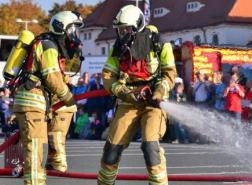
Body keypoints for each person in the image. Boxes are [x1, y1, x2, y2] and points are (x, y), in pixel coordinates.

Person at [97, 5, 176, 185]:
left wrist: (158, 92)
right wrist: (124, 92)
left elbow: (170, 74)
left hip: (153, 104)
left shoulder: (160, 44)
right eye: (119, 29)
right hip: (128, 101)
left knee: (150, 146)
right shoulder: (118, 49)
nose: (121, 33)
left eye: (125, 29)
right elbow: (108, 76)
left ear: (137, 26)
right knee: (111, 149)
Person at [12, 11, 83, 185]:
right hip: (32, 102)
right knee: (34, 149)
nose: (74, 34)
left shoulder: (50, 45)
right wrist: (69, 97)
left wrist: (65, 84)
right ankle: (35, 181)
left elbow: (53, 76)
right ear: (62, 28)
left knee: (37, 147)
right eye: (72, 29)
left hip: (36, 102)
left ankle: (55, 160)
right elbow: (51, 78)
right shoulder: (49, 46)